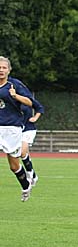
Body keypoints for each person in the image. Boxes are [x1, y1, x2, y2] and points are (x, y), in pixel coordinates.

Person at [0, 56, 34, 202]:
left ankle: (26, 185)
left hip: (12, 128)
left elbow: (30, 102)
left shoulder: (14, 85)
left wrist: (16, 96)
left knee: (14, 166)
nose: (1, 70)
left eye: (4, 67)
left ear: (9, 70)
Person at [20, 96, 45, 186]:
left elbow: (40, 108)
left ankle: (30, 174)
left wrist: (35, 118)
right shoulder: (9, 100)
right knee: (23, 154)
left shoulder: (27, 99)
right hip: (16, 130)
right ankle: (33, 175)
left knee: (22, 152)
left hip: (28, 129)